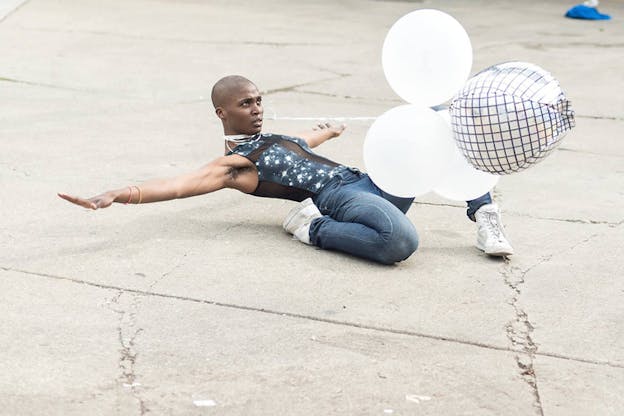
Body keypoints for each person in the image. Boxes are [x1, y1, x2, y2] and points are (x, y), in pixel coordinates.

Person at [59, 75, 513, 264]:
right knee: (400, 242)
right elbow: (179, 185)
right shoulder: (236, 165)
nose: (257, 109)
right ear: (222, 113)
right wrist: (119, 193)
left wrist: (326, 133)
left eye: (259, 100)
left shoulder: (274, 139)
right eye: (245, 103)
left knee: (435, 122)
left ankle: (485, 213)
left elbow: (299, 148)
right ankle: (311, 228)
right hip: (339, 198)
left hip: (368, 180)